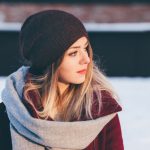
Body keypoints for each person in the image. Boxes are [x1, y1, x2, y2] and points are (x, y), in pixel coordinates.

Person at [0, 10, 124, 150]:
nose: (87, 59)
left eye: (85, 48)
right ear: (49, 60)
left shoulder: (101, 111)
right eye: (73, 53)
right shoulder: (11, 113)